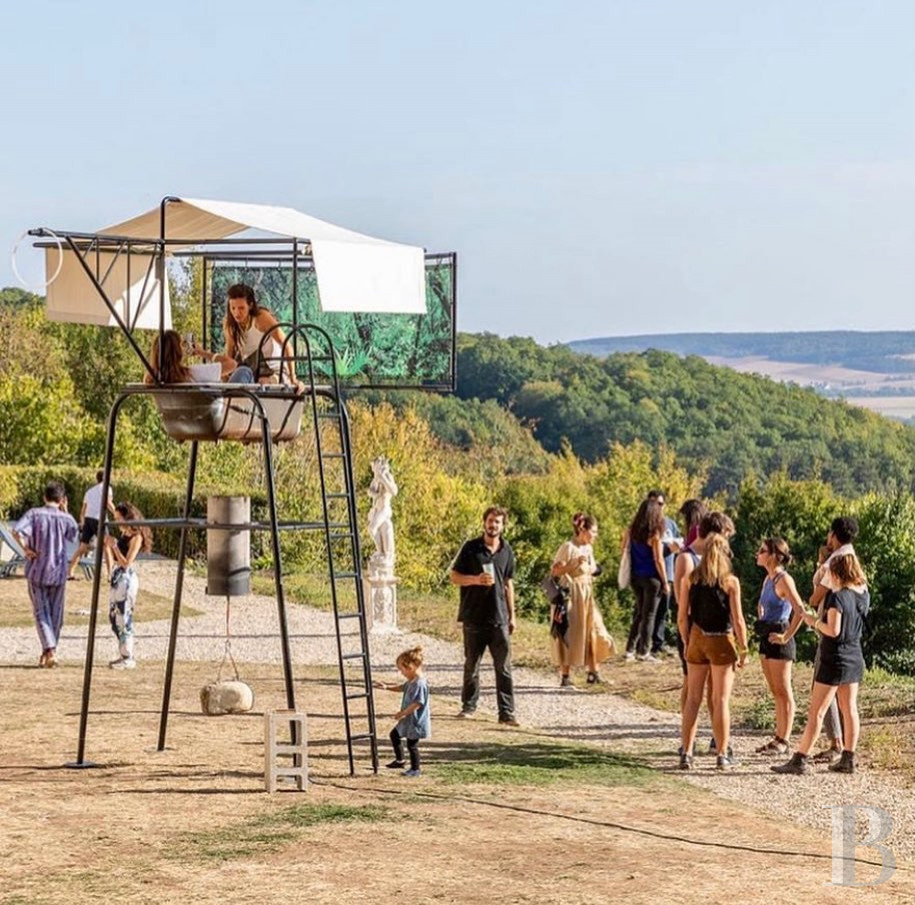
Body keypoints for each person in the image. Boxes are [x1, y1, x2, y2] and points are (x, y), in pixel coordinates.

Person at [772, 552, 870, 775]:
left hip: (833, 657)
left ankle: (800, 758)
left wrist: (812, 620)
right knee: (849, 708)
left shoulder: (838, 597)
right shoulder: (862, 594)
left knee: (817, 710)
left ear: (836, 573)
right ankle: (849, 756)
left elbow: (833, 629)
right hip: (855, 655)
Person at [679, 533, 748, 771]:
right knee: (720, 699)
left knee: (693, 698)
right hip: (721, 640)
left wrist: (688, 641)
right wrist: (743, 647)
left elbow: (681, 618)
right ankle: (721, 753)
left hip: (697, 637)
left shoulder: (690, 579)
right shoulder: (730, 582)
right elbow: (738, 619)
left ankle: (686, 752)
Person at [449, 506, 518, 726]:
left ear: (502, 525)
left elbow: (508, 583)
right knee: (472, 664)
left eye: (497, 522)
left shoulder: (507, 551)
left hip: (499, 617)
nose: (493, 525)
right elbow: (454, 576)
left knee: (503, 667)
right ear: (484, 523)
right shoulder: (471, 548)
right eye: (490, 521)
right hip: (474, 617)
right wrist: (475, 580)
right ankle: (469, 707)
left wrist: (512, 615)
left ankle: (506, 713)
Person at [13, 481, 79, 668]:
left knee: (41, 612)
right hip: (58, 571)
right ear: (62, 500)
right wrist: (65, 510)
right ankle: (50, 651)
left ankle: (49, 650)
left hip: (37, 569)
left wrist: (26, 549)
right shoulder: (64, 518)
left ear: (44, 497)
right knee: (56, 613)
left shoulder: (34, 514)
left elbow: (17, 530)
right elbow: (74, 534)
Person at [193, 284, 302, 388]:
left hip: (274, 371)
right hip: (250, 371)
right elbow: (229, 357)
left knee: (262, 381)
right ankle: (230, 401)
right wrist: (204, 354)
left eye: (241, 308)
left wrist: (293, 378)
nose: (236, 313)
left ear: (250, 305)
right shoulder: (230, 324)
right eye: (233, 308)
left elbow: (286, 345)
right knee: (241, 372)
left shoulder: (261, 318)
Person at [550, 513, 615, 687]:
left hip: (587, 594)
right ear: (582, 530)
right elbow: (555, 572)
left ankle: (594, 672)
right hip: (571, 595)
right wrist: (573, 564)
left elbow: (592, 569)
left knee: (595, 630)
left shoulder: (589, 549)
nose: (596, 535)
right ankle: (565, 675)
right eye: (593, 531)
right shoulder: (568, 547)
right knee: (570, 634)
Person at [753, 537, 804, 755]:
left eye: (762, 550)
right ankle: (777, 736)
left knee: (784, 691)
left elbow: (800, 610)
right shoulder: (768, 579)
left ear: (774, 555)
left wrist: (786, 636)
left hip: (780, 638)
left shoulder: (784, 579)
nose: (758, 553)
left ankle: (784, 739)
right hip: (766, 636)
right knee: (775, 691)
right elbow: (763, 604)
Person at [105, 501, 153, 670]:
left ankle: (128, 656)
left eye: (118, 518)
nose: (116, 521)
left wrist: (115, 546)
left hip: (127, 578)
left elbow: (126, 562)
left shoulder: (136, 536)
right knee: (114, 616)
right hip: (118, 577)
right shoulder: (125, 535)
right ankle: (123, 653)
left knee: (124, 617)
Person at [622, 499, 668, 661]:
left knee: (640, 613)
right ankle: (644, 651)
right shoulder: (654, 533)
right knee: (649, 615)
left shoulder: (632, 530)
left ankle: (630, 648)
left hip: (636, 576)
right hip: (652, 578)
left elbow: (624, 549)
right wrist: (665, 581)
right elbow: (658, 560)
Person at [373, 646, 430, 777]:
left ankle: (416, 770)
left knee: (412, 745)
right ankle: (400, 760)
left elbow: (417, 703)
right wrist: (386, 687)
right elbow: (402, 688)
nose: (401, 673)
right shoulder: (411, 681)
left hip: (415, 721)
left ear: (410, 667)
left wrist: (402, 713)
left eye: (401, 669)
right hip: (408, 719)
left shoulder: (419, 684)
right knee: (394, 735)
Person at [146, 329, 254, 385]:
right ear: (178, 351)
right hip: (217, 420)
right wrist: (202, 353)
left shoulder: (152, 380)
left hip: (176, 424)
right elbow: (232, 364)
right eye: (181, 345)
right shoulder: (192, 374)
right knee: (244, 371)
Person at [648, 489, 682, 656]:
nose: (657, 507)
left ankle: (658, 643)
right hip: (651, 574)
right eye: (654, 503)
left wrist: (676, 547)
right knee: (648, 612)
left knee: (663, 610)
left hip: (668, 571)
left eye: (660, 503)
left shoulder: (670, 524)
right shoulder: (646, 524)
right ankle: (642, 645)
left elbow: (679, 541)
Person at [67, 470, 115, 580]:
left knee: (82, 548)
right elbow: (108, 503)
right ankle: (110, 575)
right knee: (106, 546)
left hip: (88, 519)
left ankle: (70, 572)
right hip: (99, 519)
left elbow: (82, 512)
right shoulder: (107, 488)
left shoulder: (89, 492)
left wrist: (83, 523)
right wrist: (117, 514)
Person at [367, 456, 398, 563]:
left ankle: (381, 552)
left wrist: (383, 478)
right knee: (378, 530)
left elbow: (394, 491)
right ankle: (381, 551)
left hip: (384, 509)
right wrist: (376, 484)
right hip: (377, 509)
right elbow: (370, 492)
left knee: (372, 528)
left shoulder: (387, 476)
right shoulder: (375, 478)